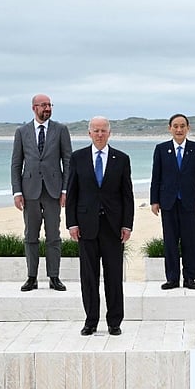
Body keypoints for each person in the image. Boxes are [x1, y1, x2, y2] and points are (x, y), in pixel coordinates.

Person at [66, 117, 135, 336]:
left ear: (109, 133)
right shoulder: (77, 158)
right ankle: (91, 321)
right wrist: (71, 223)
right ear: (89, 133)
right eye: (96, 130)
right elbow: (72, 193)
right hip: (86, 226)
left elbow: (127, 195)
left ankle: (114, 322)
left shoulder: (121, 159)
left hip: (113, 227)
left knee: (113, 276)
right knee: (89, 277)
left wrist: (127, 224)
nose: (99, 134)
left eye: (103, 130)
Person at [11, 94, 73, 292]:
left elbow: (68, 161)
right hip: (29, 191)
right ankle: (32, 277)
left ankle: (54, 277)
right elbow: (16, 163)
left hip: (53, 191)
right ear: (34, 108)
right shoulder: (22, 132)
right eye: (43, 105)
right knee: (30, 236)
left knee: (53, 236)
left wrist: (65, 189)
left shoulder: (61, 130)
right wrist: (17, 192)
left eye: (49, 105)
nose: (47, 108)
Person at [150, 114, 195, 290]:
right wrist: (154, 201)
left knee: (190, 241)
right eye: (175, 126)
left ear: (188, 128)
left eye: (182, 126)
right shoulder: (161, 149)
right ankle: (172, 278)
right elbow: (156, 177)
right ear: (170, 128)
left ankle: (190, 278)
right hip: (168, 202)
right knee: (170, 242)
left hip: (189, 202)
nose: (179, 129)